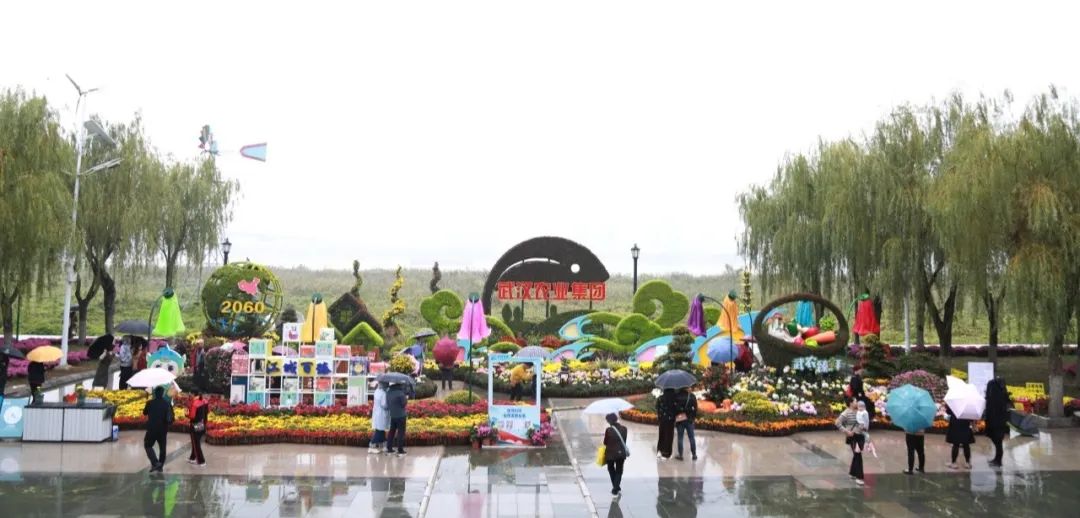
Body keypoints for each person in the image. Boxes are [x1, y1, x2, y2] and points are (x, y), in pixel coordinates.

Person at [142, 386, 174, 473]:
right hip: (163, 430)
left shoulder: (150, 403)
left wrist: (148, 403)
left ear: (155, 394)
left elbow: (144, 413)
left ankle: (155, 462)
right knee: (162, 449)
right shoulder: (167, 404)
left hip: (151, 429)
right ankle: (160, 467)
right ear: (163, 393)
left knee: (148, 445)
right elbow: (171, 418)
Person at [835, 399, 866, 485]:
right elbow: (837, 423)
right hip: (853, 437)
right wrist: (846, 431)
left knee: (857, 455)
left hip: (860, 436)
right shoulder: (846, 413)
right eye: (855, 401)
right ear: (851, 403)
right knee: (858, 455)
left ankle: (853, 473)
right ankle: (859, 477)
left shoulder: (859, 411)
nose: (857, 403)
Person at [983, 378, 1011, 467]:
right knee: (998, 442)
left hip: (996, 422)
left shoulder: (994, 398)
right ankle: (997, 459)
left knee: (998, 442)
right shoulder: (1001, 395)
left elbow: (992, 409)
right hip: (999, 422)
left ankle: (998, 461)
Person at [603, 413, 629, 498]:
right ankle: (616, 486)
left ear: (610, 421)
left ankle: (615, 487)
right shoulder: (624, 429)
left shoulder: (608, 430)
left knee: (611, 468)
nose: (607, 422)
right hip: (621, 453)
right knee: (619, 470)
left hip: (610, 453)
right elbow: (624, 441)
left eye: (607, 420)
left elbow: (605, 442)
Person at [945, 405, 975, 469]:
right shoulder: (968, 404)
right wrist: (973, 425)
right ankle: (967, 463)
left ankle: (954, 463)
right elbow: (971, 416)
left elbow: (948, 412)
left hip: (955, 424)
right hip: (965, 425)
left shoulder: (954, 403)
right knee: (966, 444)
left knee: (956, 444)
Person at [674, 387, 698, 461]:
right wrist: (692, 417)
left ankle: (680, 455)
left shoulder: (676, 396)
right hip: (689, 420)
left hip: (680, 420)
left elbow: (674, 408)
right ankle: (694, 454)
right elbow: (695, 408)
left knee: (680, 438)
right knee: (691, 437)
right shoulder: (692, 396)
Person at [385, 382, 408, 456]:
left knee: (391, 432)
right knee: (401, 433)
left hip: (393, 415)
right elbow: (404, 404)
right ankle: (400, 450)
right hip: (401, 415)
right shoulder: (400, 393)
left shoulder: (388, 392)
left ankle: (389, 449)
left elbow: (388, 404)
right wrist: (406, 398)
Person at [187, 390, 208, 467]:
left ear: (193, 394)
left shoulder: (195, 403)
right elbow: (206, 412)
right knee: (195, 442)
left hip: (195, 425)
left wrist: (186, 414)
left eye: (190, 393)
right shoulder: (204, 401)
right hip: (202, 424)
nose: (189, 395)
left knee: (196, 444)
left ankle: (201, 461)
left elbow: (192, 416)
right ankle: (192, 458)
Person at [655, 388, 677, 460]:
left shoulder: (660, 398)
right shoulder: (674, 399)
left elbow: (657, 408)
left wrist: (660, 415)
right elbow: (676, 409)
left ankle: (659, 451)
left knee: (662, 434)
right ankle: (667, 453)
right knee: (669, 436)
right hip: (670, 420)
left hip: (662, 420)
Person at [369, 382, 390, 454]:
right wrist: (389, 405)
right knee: (379, 430)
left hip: (377, 413)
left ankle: (383, 445)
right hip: (381, 414)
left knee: (381, 430)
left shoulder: (376, 391)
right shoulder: (383, 393)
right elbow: (384, 405)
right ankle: (372, 446)